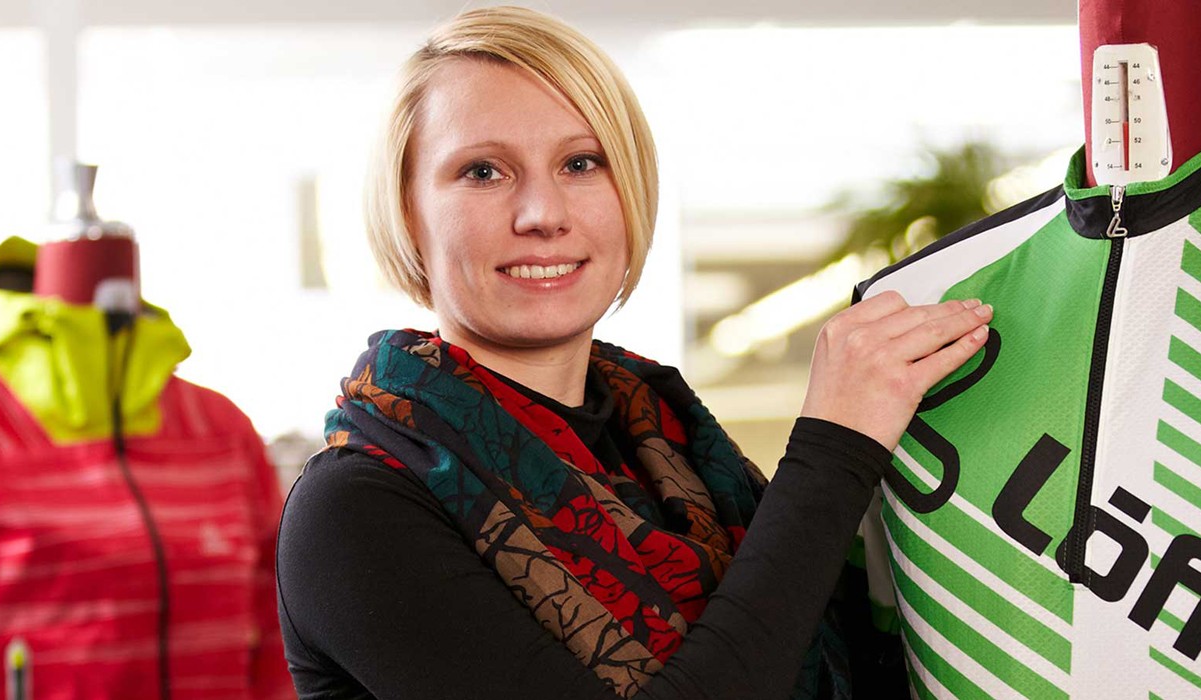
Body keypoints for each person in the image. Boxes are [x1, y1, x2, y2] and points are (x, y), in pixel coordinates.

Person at [273, 6, 992, 699]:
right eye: (483, 172)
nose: (543, 215)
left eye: (581, 163)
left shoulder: (677, 453)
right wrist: (833, 453)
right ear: (407, 212)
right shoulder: (354, 509)